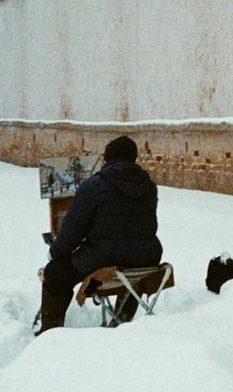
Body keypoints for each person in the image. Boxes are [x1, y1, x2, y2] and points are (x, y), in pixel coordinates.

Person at [36, 135, 162, 334]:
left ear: (107, 158)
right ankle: (122, 320)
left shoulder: (94, 185)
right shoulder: (148, 186)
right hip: (145, 257)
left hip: (104, 256)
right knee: (133, 276)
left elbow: (73, 229)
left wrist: (56, 252)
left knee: (55, 274)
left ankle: (50, 334)